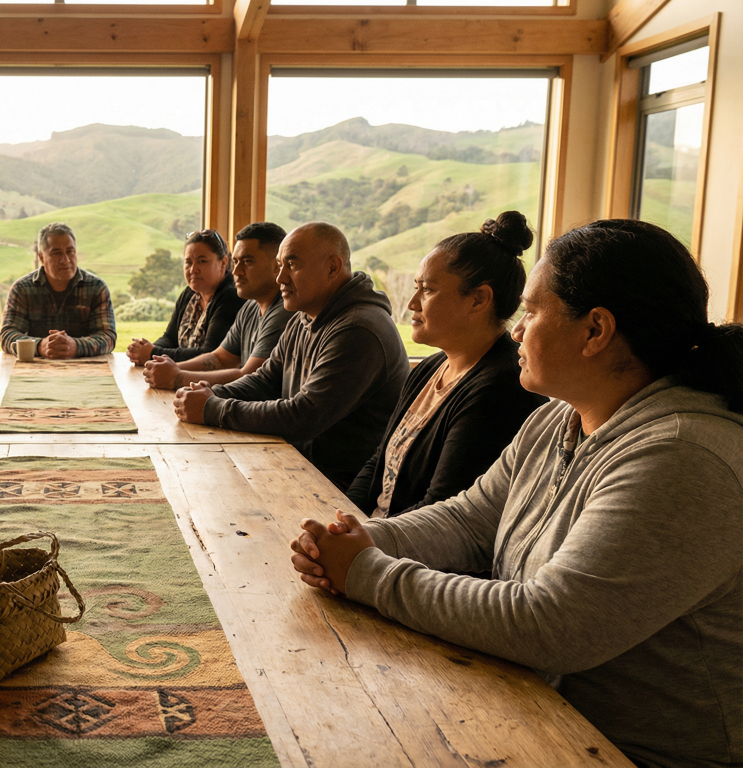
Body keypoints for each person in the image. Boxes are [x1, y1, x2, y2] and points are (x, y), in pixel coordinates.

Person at [290, 219, 743, 768]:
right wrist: (360, 539)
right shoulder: (558, 418)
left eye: (530, 312)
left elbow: (553, 625)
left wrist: (365, 571)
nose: (516, 331)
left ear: (595, 330)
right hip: (530, 706)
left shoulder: (681, 456)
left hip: (627, 752)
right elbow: (469, 521)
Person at [175, 221, 408, 489]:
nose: (280, 278)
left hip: (340, 490)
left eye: (292, 265)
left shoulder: (358, 329)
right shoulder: (304, 317)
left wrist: (211, 408)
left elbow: (304, 416)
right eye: (279, 266)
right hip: (296, 465)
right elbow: (264, 380)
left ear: (332, 267)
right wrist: (213, 393)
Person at [347, 212, 548, 518]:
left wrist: (358, 543)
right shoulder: (430, 368)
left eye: (427, 289)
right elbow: (380, 461)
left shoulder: (502, 389)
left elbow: (442, 510)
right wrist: (339, 516)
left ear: (478, 299)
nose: (412, 303)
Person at [144, 222, 293, 390]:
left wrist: (177, 377)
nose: (236, 271)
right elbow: (220, 358)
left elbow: (251, 376)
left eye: (248, 261)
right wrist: (171, 368)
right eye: (236, 261)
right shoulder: (250, 307)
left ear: (277, 266)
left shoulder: (284, 311)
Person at [126, 229, 244, 365]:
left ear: (223, 262)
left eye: (202, 261)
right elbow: (170, 338)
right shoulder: (190, 293)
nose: (193, 270)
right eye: (188, 262)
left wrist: (152, 353)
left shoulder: (231, 297)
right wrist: (144, 349)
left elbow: (209, 353)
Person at [0, 222, 117, 359]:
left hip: (87, 372)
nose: (65, 260)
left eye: (70, 251)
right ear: (41, 258)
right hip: (35, 373)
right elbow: (7, 335)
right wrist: (39, 346)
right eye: (56, 253)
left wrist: (75, 346)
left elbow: (107, 337)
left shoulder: (96, 287)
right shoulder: (22, 289)